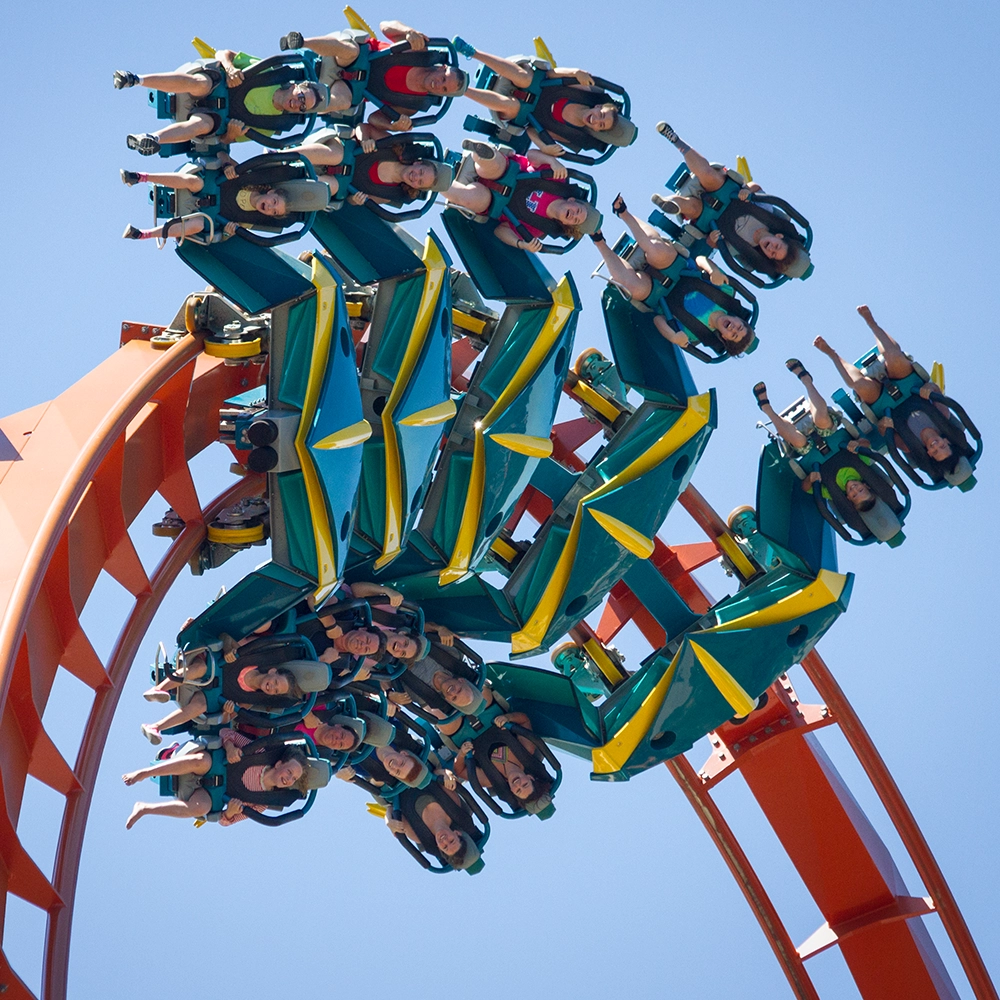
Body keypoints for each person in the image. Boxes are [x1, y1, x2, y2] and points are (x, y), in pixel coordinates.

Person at [814, 306, 975, 486]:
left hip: (885, 404)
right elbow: (935, 389)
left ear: (929, 454)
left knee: (858, 385)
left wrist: (884, 424)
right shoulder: (944, 418)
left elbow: (884, 431)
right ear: (947, 441)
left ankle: (832, 354)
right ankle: (872, 323)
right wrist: (928, 389)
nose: (936, 445)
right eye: (942, 446)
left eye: (935, 451)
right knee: (894, 356)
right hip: (909, 386)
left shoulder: (908, 445)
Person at [591, 201, 755, 356]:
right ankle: (623, 212)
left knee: (634, 288)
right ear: (738, 319)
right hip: (675, 266)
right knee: (657, 251)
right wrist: (713, 271)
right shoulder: (726, 293)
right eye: (739, 327)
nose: (733, 329)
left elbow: (658, 320)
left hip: (655, 292)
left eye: (733, 335)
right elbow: (700, 260)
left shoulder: (695, 334)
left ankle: (599, 241)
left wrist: (674, 337)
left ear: (725, 338)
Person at [652, 123, 811, 280]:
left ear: (768, 257)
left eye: (773, 254)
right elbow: (756, 187)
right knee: (709, 175)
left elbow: (717, 245)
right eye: (776, 246)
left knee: (692, 207)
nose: (771, 248)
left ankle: (667, 202)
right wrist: (747, 191)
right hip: (723, 191)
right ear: (779, 236)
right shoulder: (768, 214)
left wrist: (712, 239)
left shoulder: (743, 249)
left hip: (708, 214)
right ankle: (676, 140)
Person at [113, 49, 332, 155]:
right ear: (296, 86)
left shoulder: (272, 127)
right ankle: (135, 79)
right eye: (301, 97)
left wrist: (231, 135)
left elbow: (226, 140)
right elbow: (223, 53)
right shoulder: (272, 72)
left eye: (303, 107)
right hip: (215, 85)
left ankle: (151, 139)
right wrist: (230, 68)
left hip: (215, 118)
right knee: (200, 84)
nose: (297, 103)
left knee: (203, 126)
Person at [454, 38, 636, 155]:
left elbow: (532, 130)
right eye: (601, 115)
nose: (596, 120)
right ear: (598, 107)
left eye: (601, 125)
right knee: (525, 78)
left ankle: (461, 88)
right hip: (530, 81)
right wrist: (575, 72)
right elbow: (553, 74)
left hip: (520, 112)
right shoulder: (587, 94)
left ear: (596, 130)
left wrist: (543, 146)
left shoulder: (575, 135)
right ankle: (472, 52)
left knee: (514, 106)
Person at [278, 21, 468, 131]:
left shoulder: (412, 105)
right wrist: (408, 31)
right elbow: (385, 26)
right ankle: (301, 42)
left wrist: (393, 126)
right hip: (356, 57)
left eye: (444, 89)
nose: (438, 84)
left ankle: (297, 106)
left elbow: (373, 119)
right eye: (444, 79)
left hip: (353, 88)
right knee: (351, 51)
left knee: (343, 103)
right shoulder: (419, 51)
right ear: (442, 68)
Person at [122, 730, 322, 828]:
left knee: (200, 808)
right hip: (209, 764)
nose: (289, 779)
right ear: (279, 764)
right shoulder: (259, 754)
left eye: (294, 779)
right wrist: (230, 747)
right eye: (290, 772)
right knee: (202, 761)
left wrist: (230, 812)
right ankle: (143, 773)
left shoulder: (262, 803)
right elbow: (227, 733)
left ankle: (144, 808)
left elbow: (226, 822)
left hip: (211, 792)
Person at [119, 151, 329, 242]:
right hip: (207, 187)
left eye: (274, 212)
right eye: (274, 202)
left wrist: (229, 232)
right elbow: (221, 155)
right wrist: (228, 165)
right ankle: (140, 177)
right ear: (271, 192)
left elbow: (233, 233)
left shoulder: (251, 221)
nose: (270, 207)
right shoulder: (250, 176)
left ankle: (143, 234)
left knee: (199, 225)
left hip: (211, 216)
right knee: (195, 182)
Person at [443, 139, 601, 251]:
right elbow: (531, 155)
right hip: (506, 171)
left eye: (575, 221)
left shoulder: (538, 229)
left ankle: (437, 180)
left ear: (567, 225)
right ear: (572, 200)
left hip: (490, 199)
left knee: (472, 198)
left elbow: (500, 231)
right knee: (492, 166)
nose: (573, 215)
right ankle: (480, 152)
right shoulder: (558, 180)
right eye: (578, 211)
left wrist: (521, 244)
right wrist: (552, 161)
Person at [287, 124, 453, 207]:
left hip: (340, 180)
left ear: (416, 188)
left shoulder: (388, 194)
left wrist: (355, 200)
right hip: (341, 149)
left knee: (328, 187)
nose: (416, 177)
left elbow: (352, 200)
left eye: (420, 182)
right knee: (335, 156)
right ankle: (284, 156)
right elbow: (363, 127)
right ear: (418, 162)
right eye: (421, 172)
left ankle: (286, 178)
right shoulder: (395, 147)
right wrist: (365, 139)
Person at [453, 712, 554, 814]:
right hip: (488, 712)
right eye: (525, 784)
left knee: (449, 722)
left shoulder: (489, 779)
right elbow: (524, 720)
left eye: (518, 790)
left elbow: (460, 771)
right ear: (530, 777)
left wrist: (462, 754)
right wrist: (508, 718)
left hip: (462, 732)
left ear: (512, 791)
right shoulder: (527, 749)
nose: (518, 784)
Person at [386, 779, 483, 872]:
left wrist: (388, 821)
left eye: (445, 847)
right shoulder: (455, 807)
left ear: (438, 847)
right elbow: (439, 775)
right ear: (457, 833)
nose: (444, 840)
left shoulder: (416, 834)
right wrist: (446, 775)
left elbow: (390, 807)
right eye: (451, 841)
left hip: (392, 784)